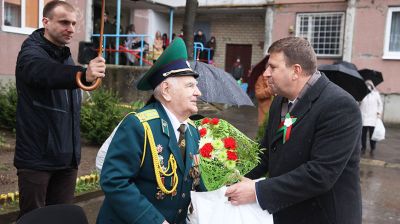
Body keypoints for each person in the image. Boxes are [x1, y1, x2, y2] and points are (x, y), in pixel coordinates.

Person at [225, 37, 362, 224]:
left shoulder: (339, 105)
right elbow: (265, 154)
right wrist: (227, 174)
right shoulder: (280, 101)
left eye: (272, 67)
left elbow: (320, 174)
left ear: (295, 71)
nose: (265, 73)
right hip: (287, 212)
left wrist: (257, 192)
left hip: (322, 217)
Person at [14, 1, 106, 218]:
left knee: (61, 218)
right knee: (33, 219)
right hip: (37, 159)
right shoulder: (30, 53)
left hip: (67, 159)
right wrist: (82, 74)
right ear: (45, 22)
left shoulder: (64, 54)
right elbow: (44, 72)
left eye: (74, 23)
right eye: (64, 22)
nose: (71, 29)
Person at [97, 38, 202, 224]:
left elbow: (191, 181)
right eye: (190, 86)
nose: (198, 92)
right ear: (167, 91)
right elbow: (115, 181)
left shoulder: (192, 130)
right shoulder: (139, 125)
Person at [359, 80, 383, 156]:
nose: (368, 86)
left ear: (372, 86)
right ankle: (363, 148)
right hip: (363, 118)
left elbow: (380, 105)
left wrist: (379, 113)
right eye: (367, 85)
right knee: (363, 135)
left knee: (372, 136)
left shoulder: (376, 94)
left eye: (369, 85)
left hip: (373, 118)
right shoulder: (362, 94)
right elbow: (358, 104)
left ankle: (372, 148)